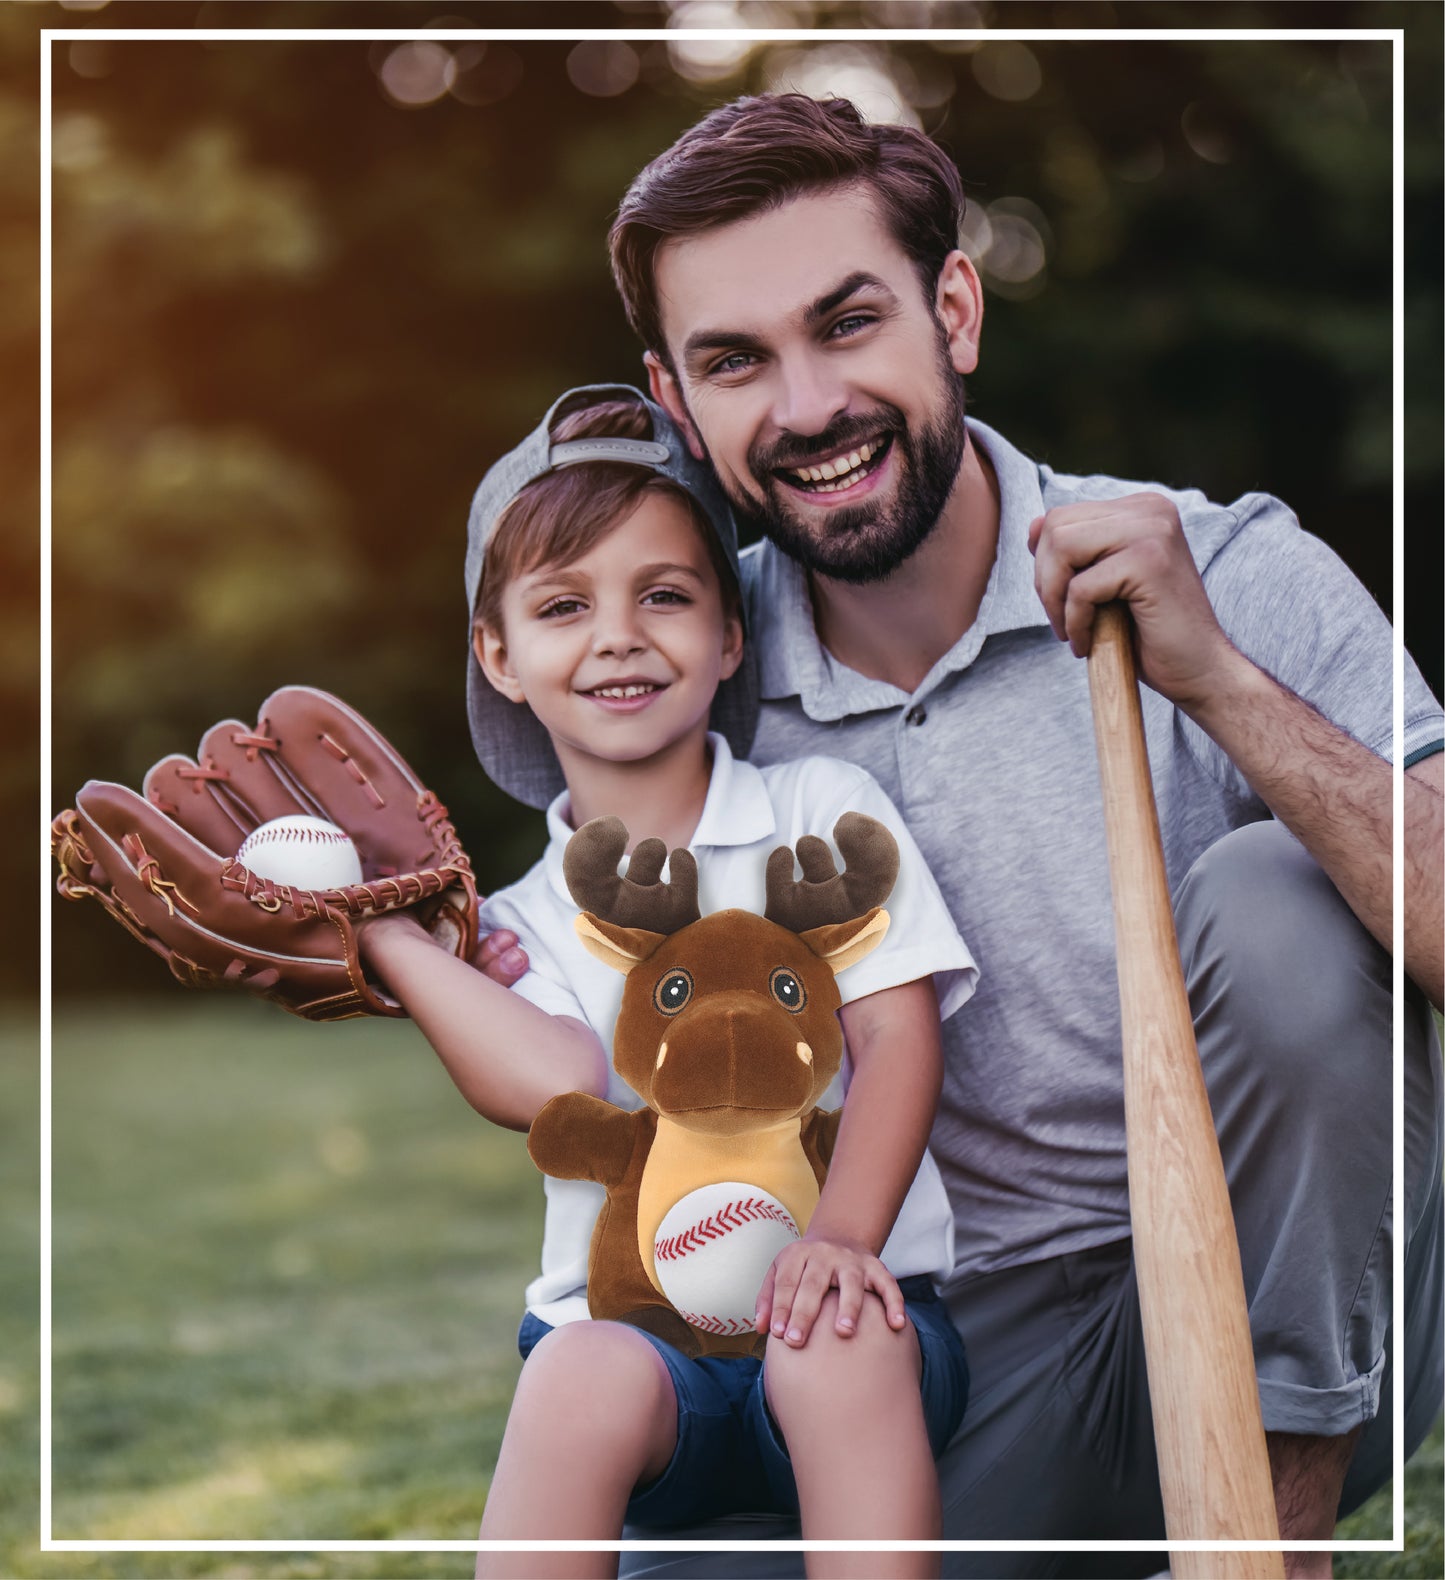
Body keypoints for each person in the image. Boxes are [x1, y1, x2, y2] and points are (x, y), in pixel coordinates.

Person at [480, 94, 1441, 1579]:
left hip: (1284, 1295)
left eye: (846, 322)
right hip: (931, 1345)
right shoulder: (683, 660)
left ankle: (1266, 1553)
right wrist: (388, 942)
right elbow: (556, 927)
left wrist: (1218, 682)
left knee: (1277, 899)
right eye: (735, 361)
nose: (806, 406)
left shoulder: (1222, 566)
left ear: (954, 309)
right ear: (675, 399)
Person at [361, 384, 977, 1580]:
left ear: (730, 633)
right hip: (646, 1360)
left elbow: (899, 1039)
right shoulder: (518, 920)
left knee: (835, 1337)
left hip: (858, 1321)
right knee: (575, 1370)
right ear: (498, 653)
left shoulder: (816, 812)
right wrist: (393, 939)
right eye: (562, 604)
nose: (617, 635)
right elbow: (555, 1079)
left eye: (664, 594)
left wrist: (840, 1238)